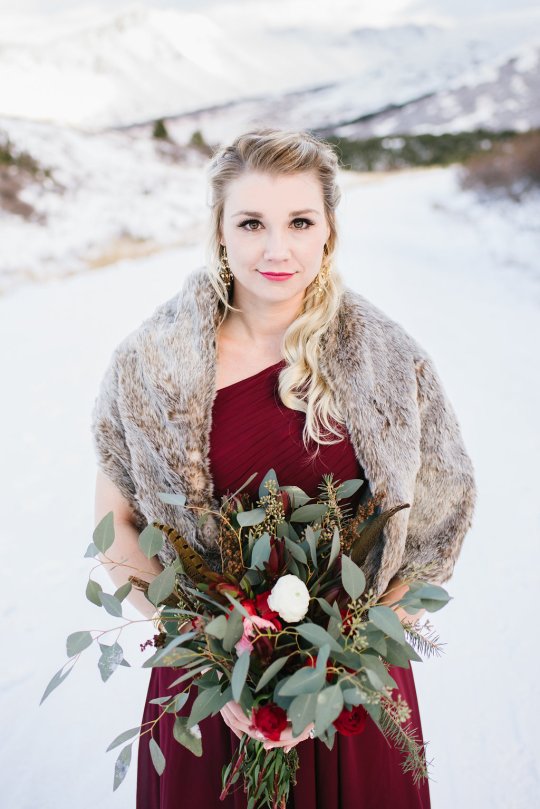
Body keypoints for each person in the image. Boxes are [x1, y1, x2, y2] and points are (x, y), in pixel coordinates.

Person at [92, 127, 476, 808]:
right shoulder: (150, 365)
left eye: (300, 220)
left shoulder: (390, 361)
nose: (278, 248)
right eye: (251, 222)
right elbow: (117, 524)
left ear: (329, 228)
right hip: (212, 694)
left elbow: (437, 523)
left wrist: (343, 665)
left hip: (353, 695)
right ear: (218, 230)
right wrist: (208, 656)